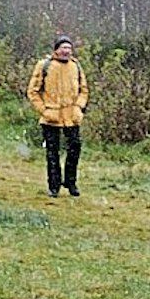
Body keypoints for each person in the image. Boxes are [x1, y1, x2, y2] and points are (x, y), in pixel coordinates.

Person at [26, 36, 89, 197]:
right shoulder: (44, 66)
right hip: (51, 117)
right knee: (52, 152)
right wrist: (44, 110)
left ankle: (71, 182)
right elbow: (33, 91)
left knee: (75, 148)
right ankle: (54, 186)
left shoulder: (76, 66)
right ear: (56, 50)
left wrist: (79, 107)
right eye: (63, 48)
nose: (66, 51)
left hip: (72, 117)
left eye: (69, 48)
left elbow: (84, 90)